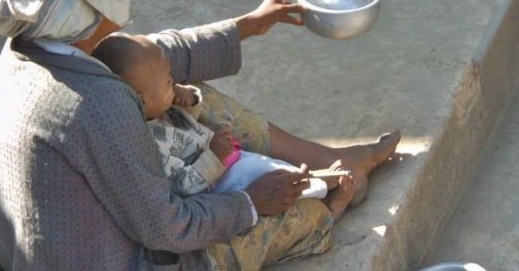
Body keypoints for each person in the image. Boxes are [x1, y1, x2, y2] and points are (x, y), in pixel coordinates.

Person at [0, 0, 401, 269]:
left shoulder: (31, 47)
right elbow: (170, 228)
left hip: (64, 237)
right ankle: (331, 205)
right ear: (85, 5)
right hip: (122, 258)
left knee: (171, 84)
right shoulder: (95, 105)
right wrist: (250, 202)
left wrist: (248, 25)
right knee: (286, 215)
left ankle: (336, 159)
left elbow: (154, 54)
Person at [91, 34, 356, 223]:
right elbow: (181, 187)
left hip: (230, 162)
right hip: (218, 187)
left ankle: (319, 184)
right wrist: (214, 158)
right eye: (167, 81)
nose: (173, 84)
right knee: (273, 181)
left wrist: (189, 98)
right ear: (140, 99)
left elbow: (189, 119)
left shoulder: (157, 109)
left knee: (267, 166)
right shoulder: (146, 143)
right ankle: (327, 190)